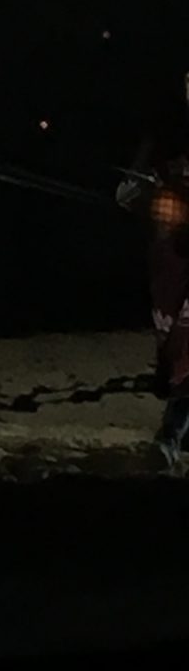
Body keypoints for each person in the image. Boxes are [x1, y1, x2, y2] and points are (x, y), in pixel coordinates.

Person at [116, 71, 189, 466]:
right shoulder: (165, 132)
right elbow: (129, 191)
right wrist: (138, 188)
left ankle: (170, 436)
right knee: (174, 347)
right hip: (171, 260)